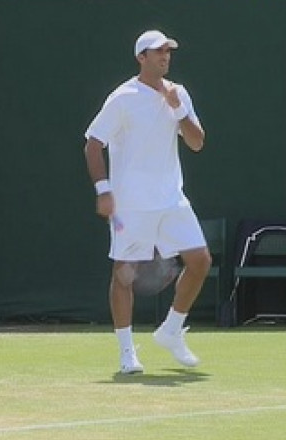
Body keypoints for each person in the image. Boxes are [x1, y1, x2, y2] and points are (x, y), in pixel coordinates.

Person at [83, 30, 211, 374]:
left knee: (200, 260)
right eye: (158, 51)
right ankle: (127, 353)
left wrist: (177, 107)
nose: (165, 56)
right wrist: (103, 190)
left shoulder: (178, 93)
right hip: (131, 204)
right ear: (141, 57)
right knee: (124, 275)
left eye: (168, 51)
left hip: (172, 200)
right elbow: (93, 144)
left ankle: (171, 330)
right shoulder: (122, 98)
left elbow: (197, 142)